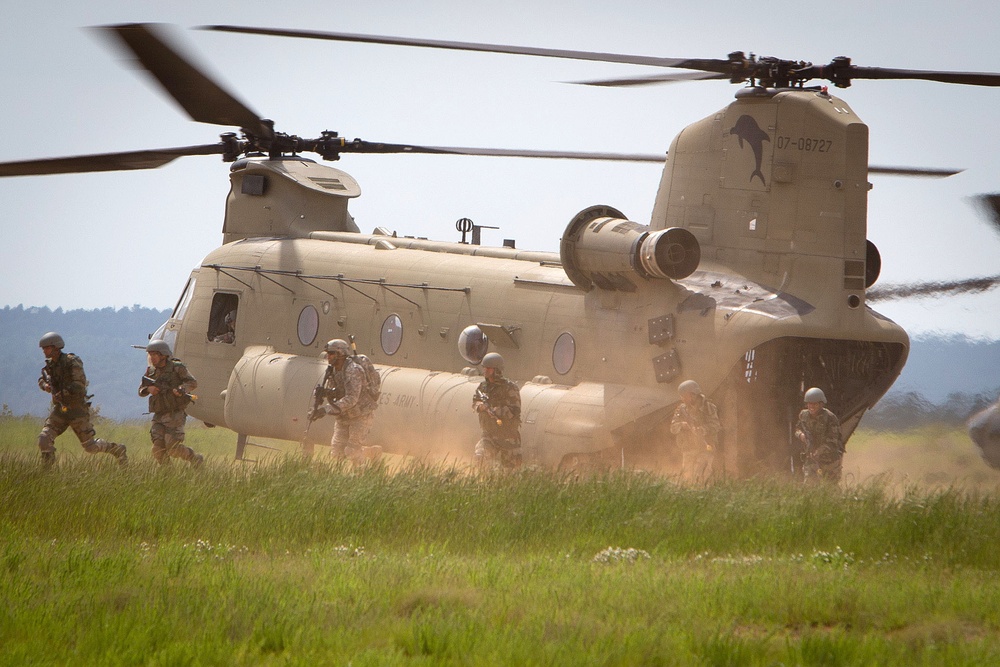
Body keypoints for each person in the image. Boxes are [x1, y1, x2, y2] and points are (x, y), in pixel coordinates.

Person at [35, 331, 128, 467]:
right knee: (44, 439)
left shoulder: (71, 361)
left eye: (47, 348)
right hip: (60, 410)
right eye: (43, 348)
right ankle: (47, 472)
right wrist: (46, 386)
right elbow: (41, 380)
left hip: (76, 410)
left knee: (90, 447)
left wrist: (63, 393)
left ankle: (117, 450)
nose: (44, 351)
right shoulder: (50, 366)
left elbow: (79, 385)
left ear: (55, 347)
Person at [308, 339, 381, 462]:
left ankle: (361, 476)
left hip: (361, 415)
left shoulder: (353, 370)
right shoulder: (333, 370)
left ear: (340, 354)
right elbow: (337, 392)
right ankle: (369, 453)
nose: (328, 357)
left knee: (352, 451)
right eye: (328, 354)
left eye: (331, 353)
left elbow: (351, 399)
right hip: (344, 415)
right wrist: (325, 393)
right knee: (336, 453)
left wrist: (325, 410)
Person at [139, 339, 203, 467]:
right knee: (157, 450)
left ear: (163, 355)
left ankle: (195, 459)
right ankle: (168, 474)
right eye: (150, 355)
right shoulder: (151, 372)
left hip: (174, 414)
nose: (152, 358)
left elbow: (192, 383)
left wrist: (181, 389)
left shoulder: (177, 368)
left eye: (154, 355)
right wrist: (149, 389)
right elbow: (141, 390)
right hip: (158, 415)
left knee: (173, 449)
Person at [471, 352, 522, 469]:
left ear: (497, 370)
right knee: (480, 458)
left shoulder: (510, 388)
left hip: (508, 437)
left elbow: (515, 411)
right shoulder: (483, 387)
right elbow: (475, 401)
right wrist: (480, 406)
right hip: (489, 434)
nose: (485, 371)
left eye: (488, 368)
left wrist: (496, 410)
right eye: (484, 368)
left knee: (509, 473)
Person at [669, 379, 720, 482]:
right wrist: (681, 425)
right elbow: (673, 428)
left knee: (702, 477)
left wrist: (702, 430)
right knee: (687, 478)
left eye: (684, 396)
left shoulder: (708, 408)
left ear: (692, 395)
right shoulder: (681, 410)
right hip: (688, 448)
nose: (682, 399)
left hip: (705, 447)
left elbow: (716, 425)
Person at [795, 387, 844, 483]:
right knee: (809, 488)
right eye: (809, 403)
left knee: (830, 488)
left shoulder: (830, 418)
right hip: (811, 460)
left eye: (815, 404)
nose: (811, 406)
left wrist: (818, 451)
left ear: (821, 404)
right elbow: (797, 428)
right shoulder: (803, 415)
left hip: (829, 461)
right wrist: (801, 435)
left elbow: (833, 441)